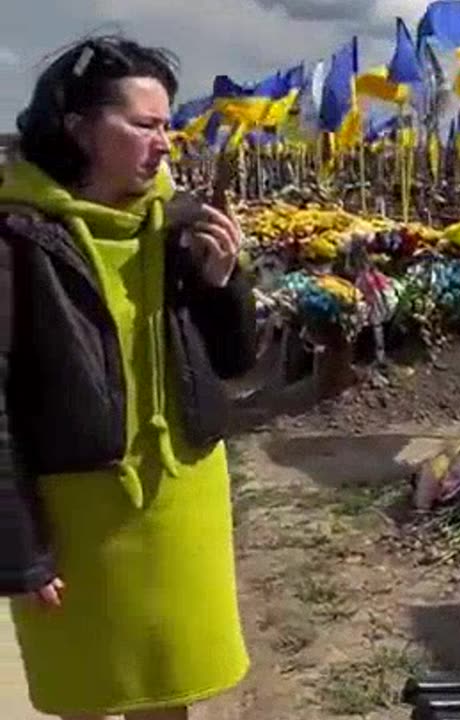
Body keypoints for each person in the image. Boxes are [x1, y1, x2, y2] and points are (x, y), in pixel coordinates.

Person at [0, 36, 255, 719]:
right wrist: (19, 548)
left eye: (166, 124)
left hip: (182, 499)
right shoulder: (19, 239)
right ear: (78, 127)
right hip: (78, 515)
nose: (165, 142)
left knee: (168, 695)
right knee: (87, 690)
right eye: (143, 125)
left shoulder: (179, 225)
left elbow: (234, 362)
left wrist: (222, 285)